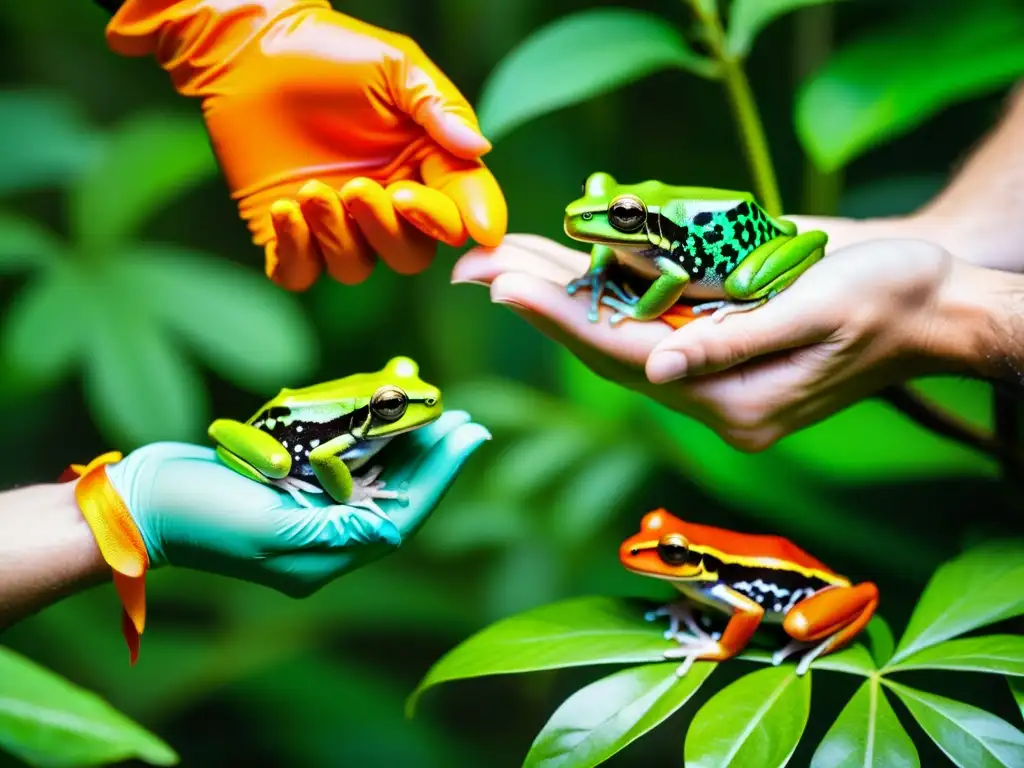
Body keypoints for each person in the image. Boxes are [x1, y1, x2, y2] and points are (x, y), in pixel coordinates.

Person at [0, 0, 505, 659]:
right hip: (284, 450)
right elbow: (327, 458)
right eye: (391, 405)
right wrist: (132, 513)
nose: (412, 402)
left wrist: (233, 20)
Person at [452, 82, 1024, 453]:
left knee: (741, 282)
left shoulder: (665, 252)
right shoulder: (631, 239)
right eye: (597, 199)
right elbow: (621, 243)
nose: (592, 217)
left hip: (740, 255)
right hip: (692, 233)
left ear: (641, 221)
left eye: (622, 217)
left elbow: (674, 278)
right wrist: (949, 237)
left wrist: (949, 313)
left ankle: (745, 292)